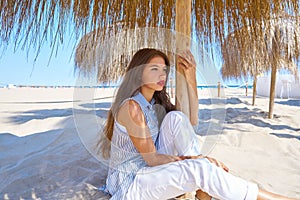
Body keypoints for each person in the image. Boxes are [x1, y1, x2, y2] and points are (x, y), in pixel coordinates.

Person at [98, 48, 296, 200]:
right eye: (154, 69)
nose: (162, 75)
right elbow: (152, 159)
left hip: (149, 170)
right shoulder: (132, 107)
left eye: (164, 70)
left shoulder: (152, 104)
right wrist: (198, 160)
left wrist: (191, 76)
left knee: (176, 118)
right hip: (130, 182)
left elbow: (190, 121)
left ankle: (203, 184)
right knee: (200, 167)